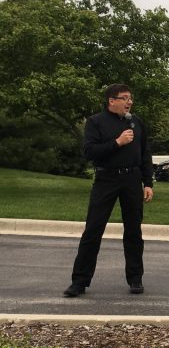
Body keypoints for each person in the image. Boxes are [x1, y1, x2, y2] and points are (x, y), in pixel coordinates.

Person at [63, 84, 154, 297]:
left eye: (130, 98)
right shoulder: (96, 122)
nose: (129, 102)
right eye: (124, 98)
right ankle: (79, 282)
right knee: (93, 230)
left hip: (132, 179)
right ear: (111, 101)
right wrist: (117, 142)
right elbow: (89, 152)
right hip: (106, 179)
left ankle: (135, 278)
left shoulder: (137, 122)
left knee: (133, 231)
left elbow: (145, 154)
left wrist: (148, 182)